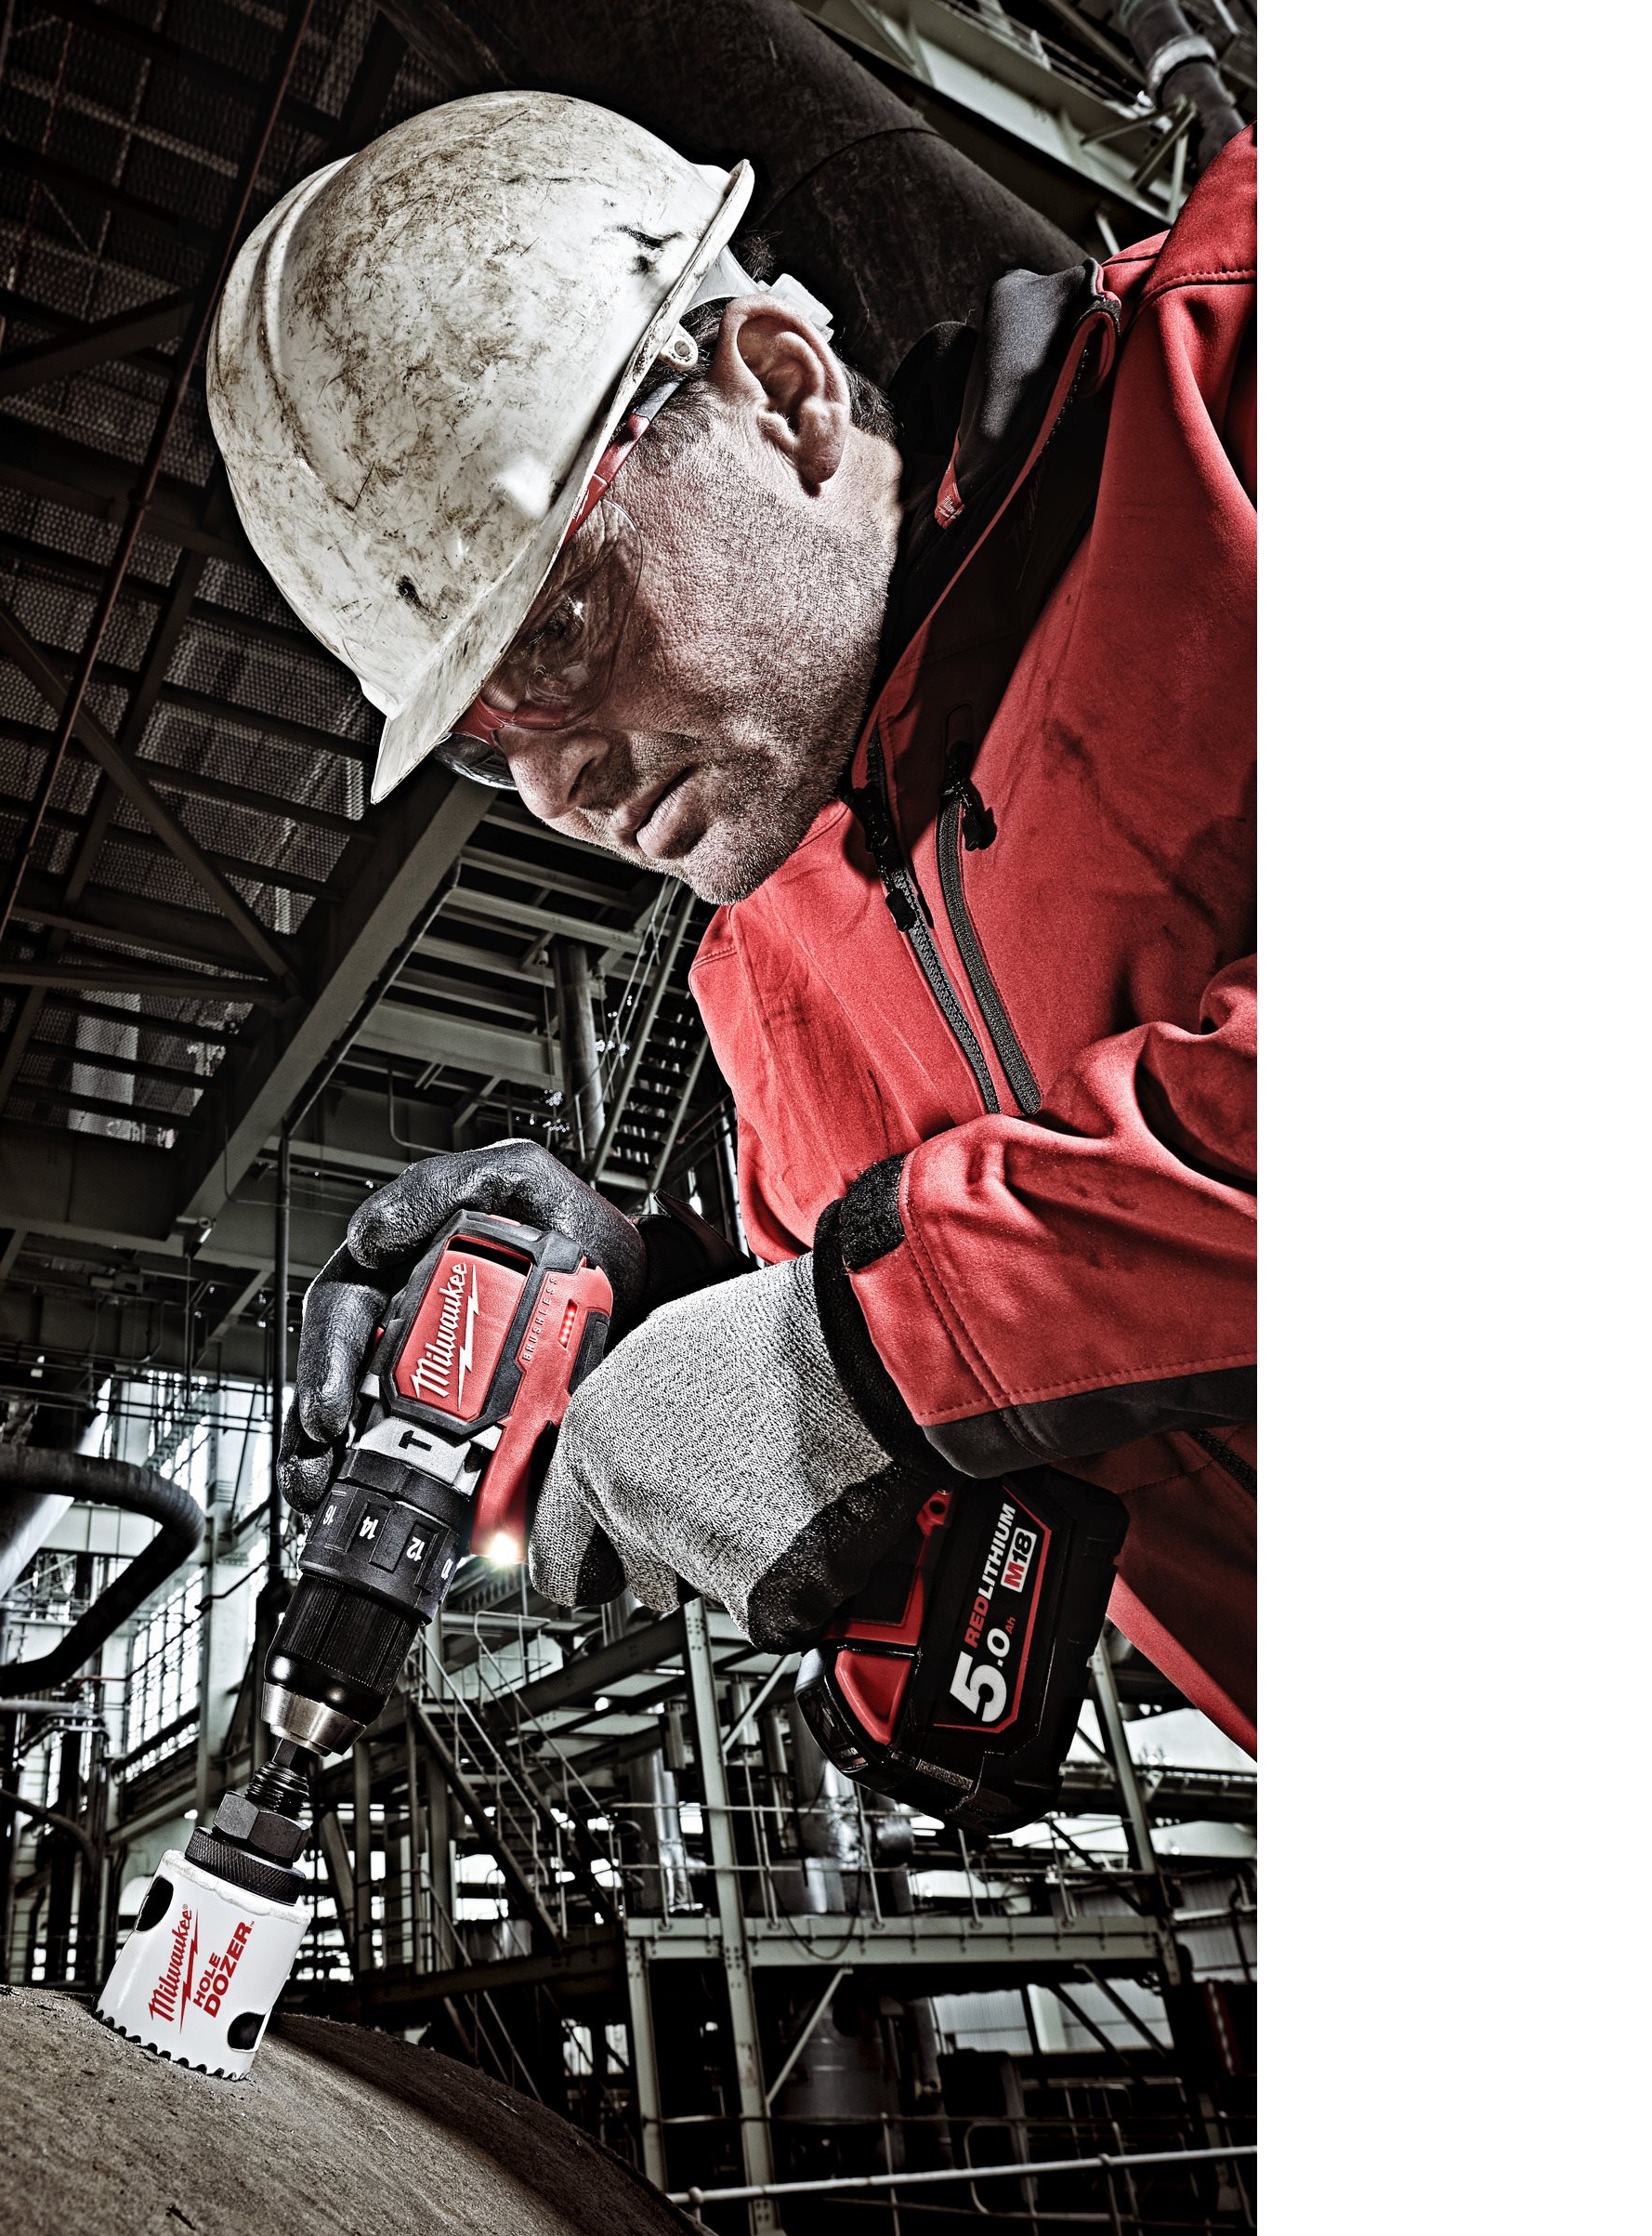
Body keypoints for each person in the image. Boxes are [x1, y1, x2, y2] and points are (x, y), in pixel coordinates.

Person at [209, 90, 1254, 1752]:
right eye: (485, 743)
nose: (552, 789)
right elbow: (973, 1325)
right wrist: (652, 1306)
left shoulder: (1243, 373)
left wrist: (870, 1343)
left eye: (560, 635)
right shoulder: (772, 1014)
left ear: (782, 393)